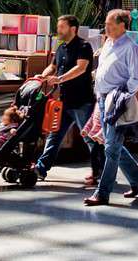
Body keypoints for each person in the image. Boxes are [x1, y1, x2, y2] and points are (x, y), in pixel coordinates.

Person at [87, 8, 138, 206]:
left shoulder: (131, 48)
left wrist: (120, 95)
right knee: (112, 145)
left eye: (110, 25)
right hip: (103, 100)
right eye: (106, 24)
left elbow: (136, 79)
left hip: (116, 103)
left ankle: (102, 193)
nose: (106, 28)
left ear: (122, 26)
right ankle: (137, 179)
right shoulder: (108, 43)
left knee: (111, 149)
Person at [32, 15, 102, 184]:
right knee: (54, 136)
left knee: (90, 138)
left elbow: (81, 68)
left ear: (73, 29)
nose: (59, 30)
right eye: (59, 26)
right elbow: (53, 66)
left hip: (81, 101)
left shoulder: (84, 46)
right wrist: (44, 75)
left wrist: (59, 79)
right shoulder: (61, 47)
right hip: (64, 101)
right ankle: (41, 168)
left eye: (62, 27)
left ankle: (99, 172)